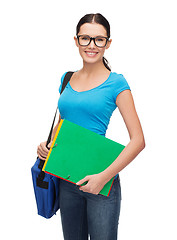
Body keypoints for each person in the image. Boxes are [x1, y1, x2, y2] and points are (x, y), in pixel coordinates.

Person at [37, 13, 145, 240]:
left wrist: (103, 177)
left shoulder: (117, 83)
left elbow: (138, 140)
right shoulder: (67, 78)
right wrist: (47, 145)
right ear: (76, 41)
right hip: (66, 179)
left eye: (99, 39)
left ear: (108, 43)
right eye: (85, 38)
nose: (92, 45)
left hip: (102, 180)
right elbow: (63, 124)